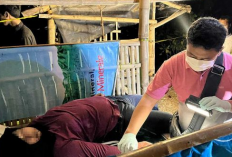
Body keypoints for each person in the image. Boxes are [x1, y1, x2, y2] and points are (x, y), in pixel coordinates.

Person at [118, 17, 232, 153]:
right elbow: (149, 99)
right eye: (192, 55)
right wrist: (130, 133)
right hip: (186, 134)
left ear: (220, 50)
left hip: (222, 139)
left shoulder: (230, 66)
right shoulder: (172, 65)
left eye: (205, 59)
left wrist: (226, 105)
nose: (197, 62)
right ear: (187, 43)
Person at [0, 94, 172, 157]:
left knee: (151, 103)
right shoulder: (62, 148)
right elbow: (111, 152)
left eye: (21, 132)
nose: (28, 134)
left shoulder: (41, 123)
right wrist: (135, 146)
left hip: (113, 99)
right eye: (25, 141)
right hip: (120, 119)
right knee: (169, 122)